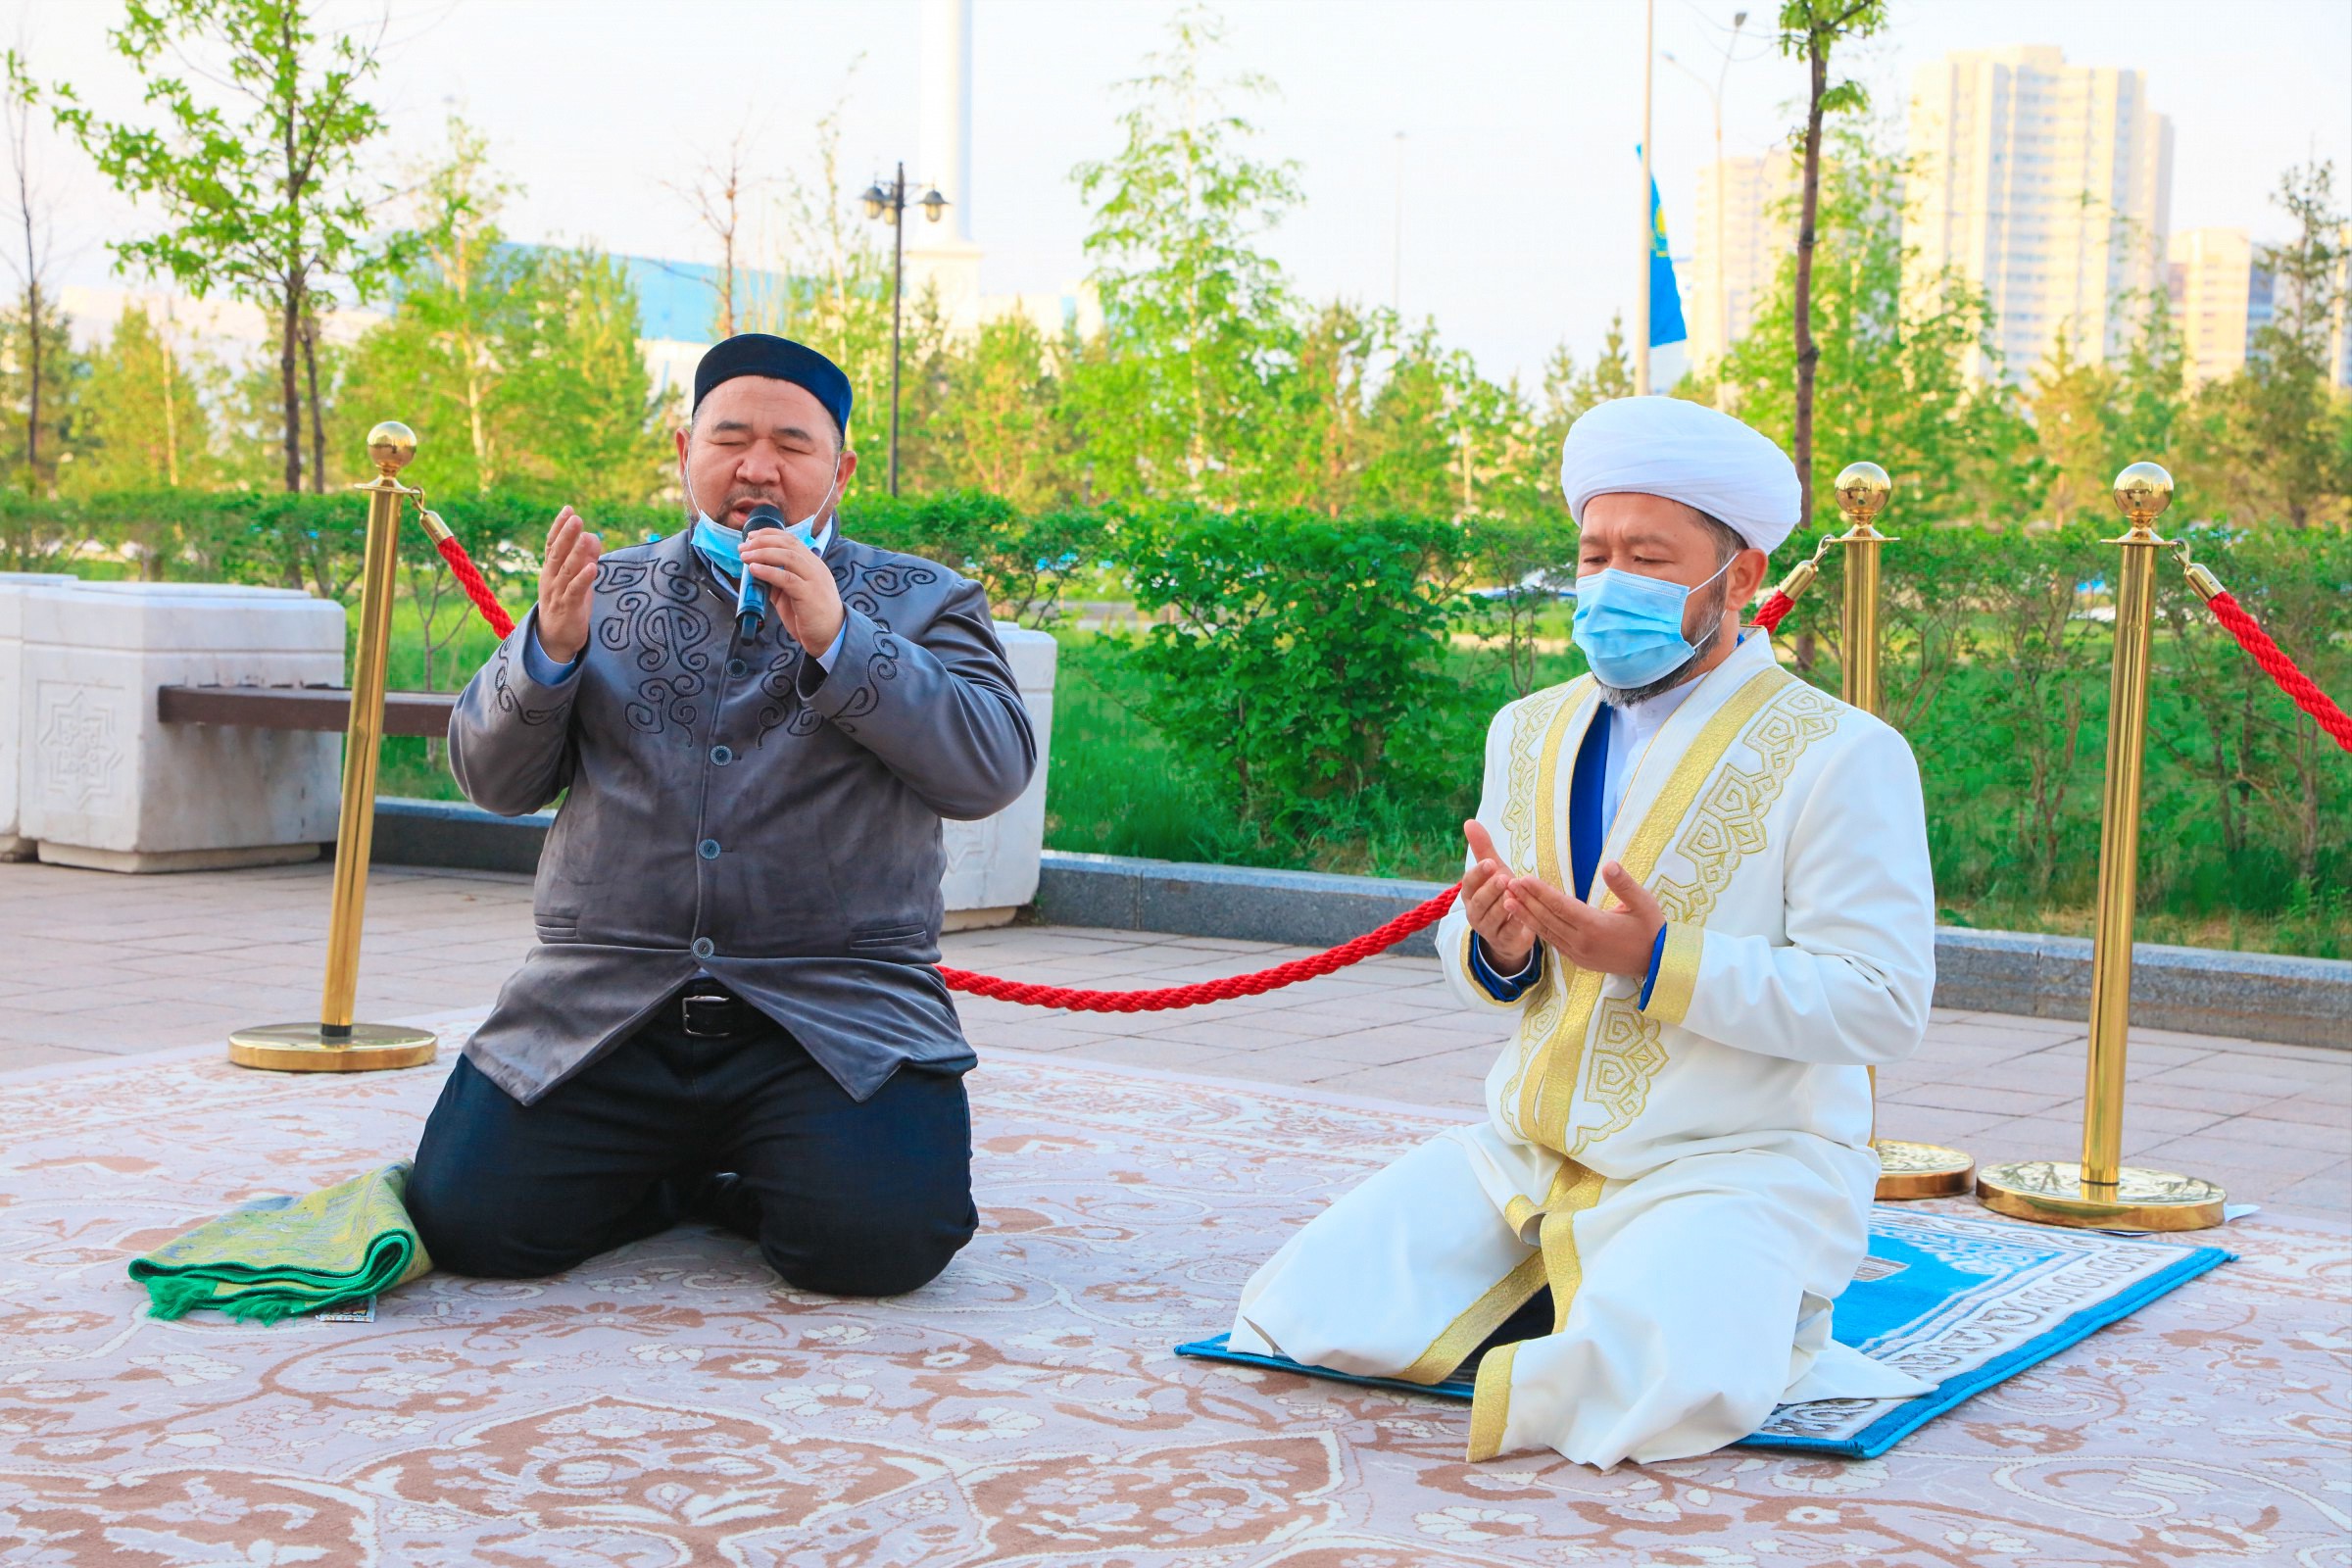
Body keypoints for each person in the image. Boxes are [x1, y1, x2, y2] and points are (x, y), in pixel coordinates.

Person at [1224, 395, 1938, 1468]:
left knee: (1657, 1393)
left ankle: (1660, 1295)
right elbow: (1479, 957)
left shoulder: (1843, 753)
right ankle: (1569, 1289)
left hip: (1735, 1160)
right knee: (1298, 1309)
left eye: (1647, 559)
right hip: (1526, 1153)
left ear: (1739, 577)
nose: (1609, 584)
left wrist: (1655, 962)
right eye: (1594, 555)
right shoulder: (1530, 728)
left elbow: (1880, 1005)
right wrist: (1498, 948)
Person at [406, 333, 1037, 1298]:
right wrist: (549, 654)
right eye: (731, 439)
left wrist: (841, 639)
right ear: (683, 450)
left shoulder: (923, 600)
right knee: (470, 1222)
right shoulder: (604, 594)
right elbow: (491, 782)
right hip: (604, 999)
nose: (758, 468)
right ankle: (678, 1178)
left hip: (835, 1005)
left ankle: (754, 1174)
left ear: (841, 470)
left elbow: (990, 768)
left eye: (792, 444)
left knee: (880, 1247)